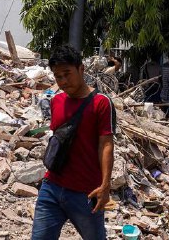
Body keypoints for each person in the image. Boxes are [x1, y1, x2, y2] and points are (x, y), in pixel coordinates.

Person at [31, 46, 115, 240]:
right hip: (51, 187)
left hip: (85, 193)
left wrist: (105, 186)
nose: (63, 81)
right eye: (58, 76)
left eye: (67, 74)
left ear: (81, 69)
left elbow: (106, 145)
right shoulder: (56, 101)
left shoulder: (101, 103)